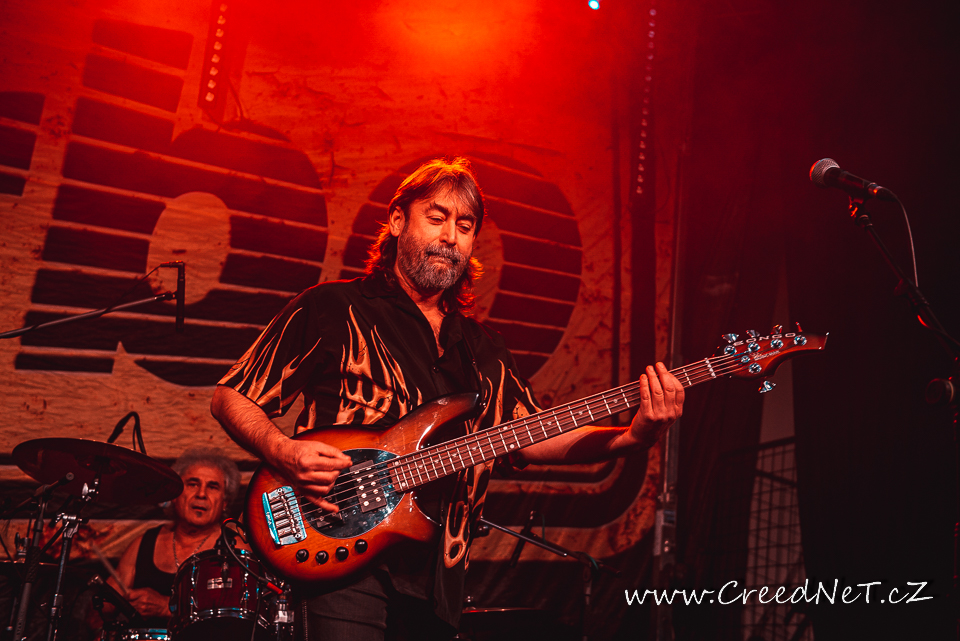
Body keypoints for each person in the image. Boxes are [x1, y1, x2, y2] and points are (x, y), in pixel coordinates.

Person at [210, 157, 684, 640]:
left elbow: (529, 436)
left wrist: (634, 435)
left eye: (465, 225)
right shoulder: (332, 307)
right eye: (436, 218)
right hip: (336, 547)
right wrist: (282, 451)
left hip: (438, 577)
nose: (450, 236)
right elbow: (231, 395)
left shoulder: (484, 349)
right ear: (398, 221)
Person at [105, 448, 240, 626]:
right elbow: (104, 607)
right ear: (175, 494)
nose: (201, 494)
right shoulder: (144, 543)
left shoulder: (235, 547)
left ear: (225, 503)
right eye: (192, 484)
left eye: (212, 487)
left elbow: (238, 615)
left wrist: (167, 608)